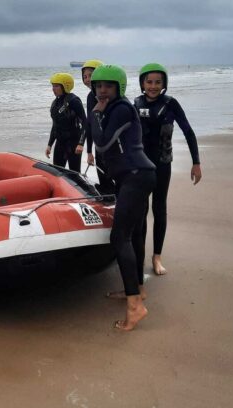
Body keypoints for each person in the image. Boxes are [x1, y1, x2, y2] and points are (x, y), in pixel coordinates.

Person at [89, 65, 156, 331]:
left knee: (120, 237)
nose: (101, 91)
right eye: (98, 86)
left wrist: (95, 115)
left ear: (119, 87)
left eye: (107, 86)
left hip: (136, 176)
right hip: (134, 176)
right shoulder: (115, 107)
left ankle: (135, 307)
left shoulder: (121, 109)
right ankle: (136, 290)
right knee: (134, 234)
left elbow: (103, 143)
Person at [134, 63, 202, 276]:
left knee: (159, 208)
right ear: (142, 83)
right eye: (149, 81)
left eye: (158, 82)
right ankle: (139, 257)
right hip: (141, 166)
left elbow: (188, 132)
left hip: (163, 163)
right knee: (141, 211)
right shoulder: (135, 103)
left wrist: (196, 162)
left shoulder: (171, 104)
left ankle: (157, 257)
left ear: (164, 84)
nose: (153, 86)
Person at [80, 59, 115, 194]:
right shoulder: (90, 97)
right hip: (99, 145)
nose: (88, 79)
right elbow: (90, 123)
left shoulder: (112, 95)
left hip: (114, 145)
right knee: (102, 177)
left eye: (91, 75)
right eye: (85, 76)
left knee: (113, 177)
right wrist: (89, 151)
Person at [46, 73, 86, 172]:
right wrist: (50, 144)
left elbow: (85, 123)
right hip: (60, 143)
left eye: (56, 86)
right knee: (57, 172)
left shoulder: (74, 101)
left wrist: (81, 143)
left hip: (73, 144)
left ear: (65, 86)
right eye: (53, 86)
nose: (53, 89)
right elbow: (55, 125)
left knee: (75, 173)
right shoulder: (55, 103)